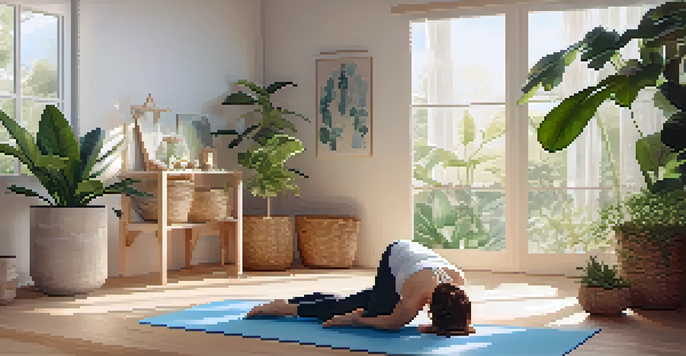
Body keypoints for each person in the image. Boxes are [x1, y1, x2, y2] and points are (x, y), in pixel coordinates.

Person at [246, 240, 475, 336]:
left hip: (411, 255)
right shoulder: (413, 297)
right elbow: (391, 324)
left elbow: (459, 316)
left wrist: (457, 325)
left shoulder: (458, 284)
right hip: (394, 257)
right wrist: (356, 320)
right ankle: (284, 309)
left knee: (366, 301)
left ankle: (297, 302)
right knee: (374, 312)